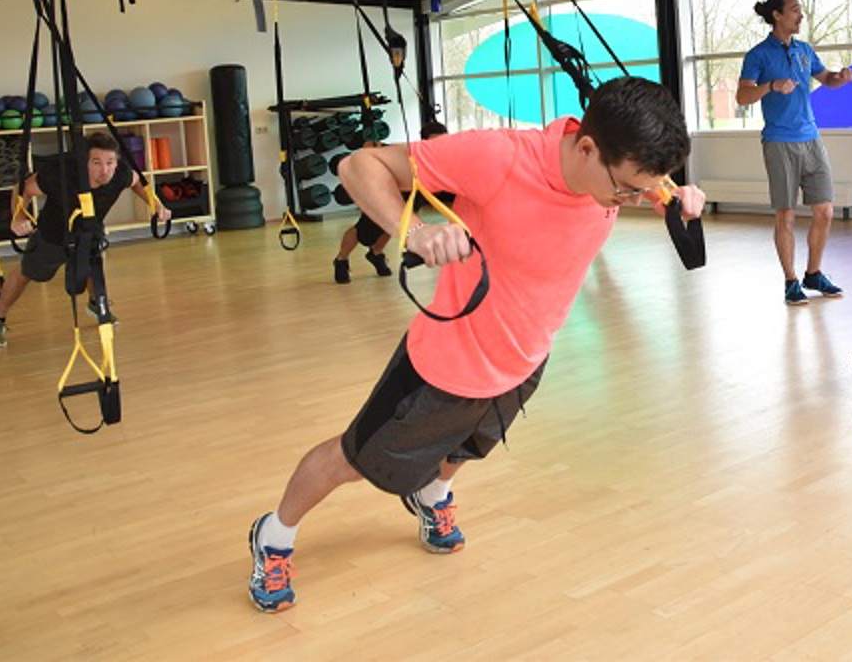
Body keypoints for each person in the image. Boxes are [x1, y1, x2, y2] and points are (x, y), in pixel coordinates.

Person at [247, 77, 704, 612]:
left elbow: (651, 184)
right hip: (446, 361)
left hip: (526, 355)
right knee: (351, 459)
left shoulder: (616, 170)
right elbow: (357, 166)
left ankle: (432, 495)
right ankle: (274, 533)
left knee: (467, 446)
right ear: (586, 147)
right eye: (627, 188)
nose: (630, 198)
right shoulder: (496, 157)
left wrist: (676, 196)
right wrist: (415, 233)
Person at [736, 0, 852, 305]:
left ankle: (813, 274)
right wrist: (772, 86)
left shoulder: (804, 50)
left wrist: (839, 77)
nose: (800, 15)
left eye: (799, 10)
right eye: (794, 10)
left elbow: (824, 77)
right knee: (786, 214)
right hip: (779, 141)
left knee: (825, 210)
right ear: (777, 15)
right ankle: (791, 281)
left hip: (811, 138)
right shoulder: (758, 55)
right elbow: (742, 96)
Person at [0, 130, 170, 348]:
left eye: (110, 162)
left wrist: (156, 205)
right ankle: (0, 316)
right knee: (28, 274)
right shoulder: (61, 175)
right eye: (97, 163)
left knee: (92, 264)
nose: (105, 170)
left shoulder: (120, 174)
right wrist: (18, 217)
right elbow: (22, 189)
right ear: (84, 162)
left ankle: (96, 303)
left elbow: (138, 182)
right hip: (53, 233)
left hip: (89, 229)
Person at [333, 121, 448, 284]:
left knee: (396, 227)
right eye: (434, 141)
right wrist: (374, 142)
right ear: (424, 141)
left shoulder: (444, 154)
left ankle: (376, 253)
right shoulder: (408, 151)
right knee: (363, 230)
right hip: (386, 195)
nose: (438, 145)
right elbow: (369, 148)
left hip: (413, 197)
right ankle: (341, 259)